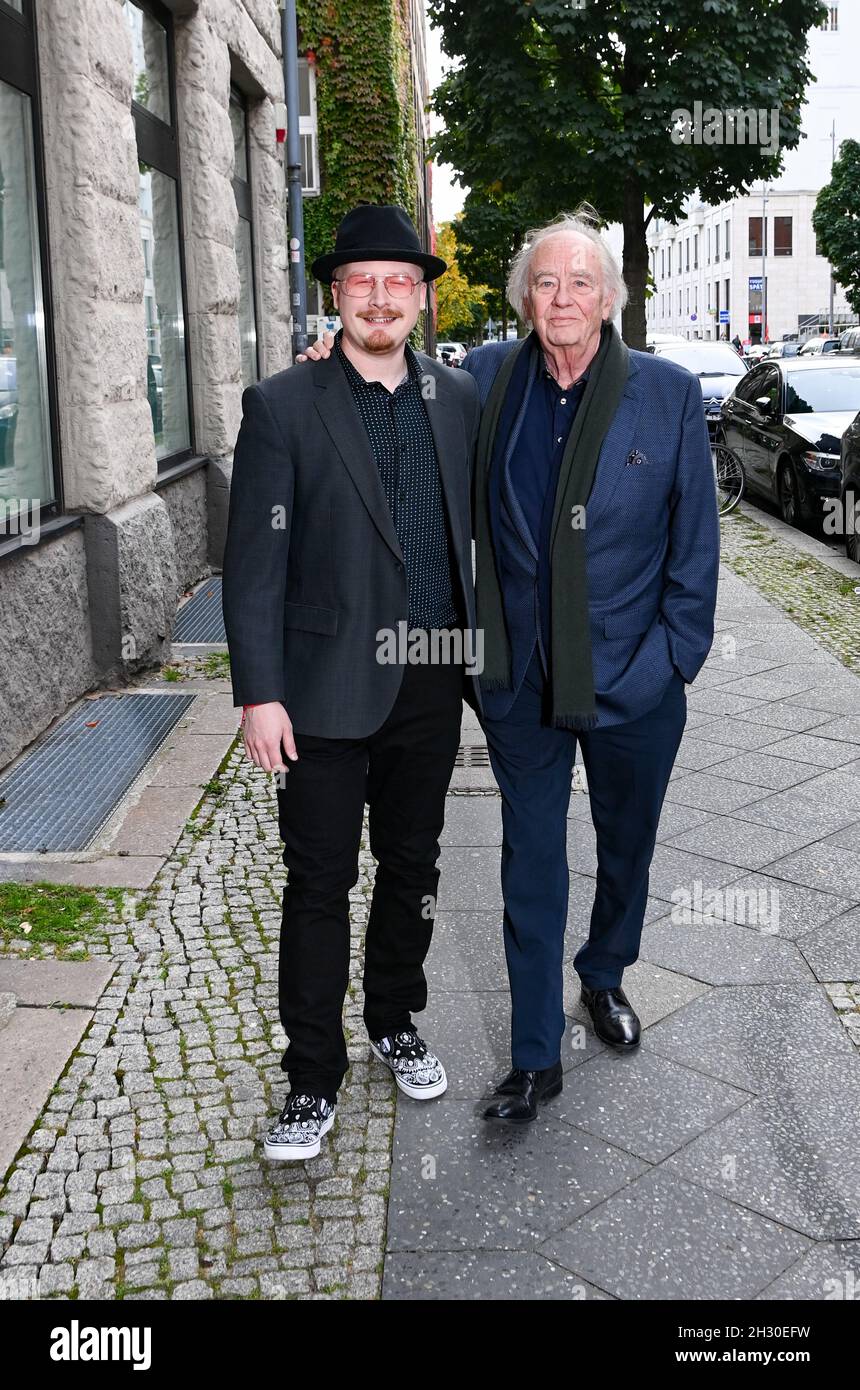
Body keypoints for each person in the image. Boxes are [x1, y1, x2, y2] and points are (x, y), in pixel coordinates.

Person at [299, 206, 720, 1127]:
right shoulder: (485, 380)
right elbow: (387, 384)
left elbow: (695, 544)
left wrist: (674, 660)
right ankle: (535, 1057)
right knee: (530, 856)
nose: (562, 298)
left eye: (580, 283)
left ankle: (604, 971)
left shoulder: (667, 393)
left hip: (635, 677)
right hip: (519, 678)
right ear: (525, 297)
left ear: (607, 299)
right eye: (545, 282)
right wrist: (333, 359)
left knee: (626, 845)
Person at [222, 204, 481, 1160]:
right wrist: (259, 693)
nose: (381, 298)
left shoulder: (459, 398)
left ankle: (395, 1018)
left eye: (398, 282)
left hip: (429, 681)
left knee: (414, 867)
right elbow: (253, 565)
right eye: (363, 281)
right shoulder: (283, 404)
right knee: (319, 882)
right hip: (321, 689)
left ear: (420, 297)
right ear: (337, 294)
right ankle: (310, 1079)